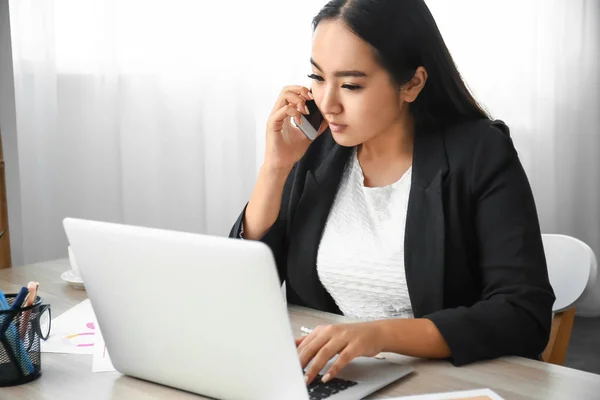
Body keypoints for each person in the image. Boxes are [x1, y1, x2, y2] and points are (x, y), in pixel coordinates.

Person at [229, 0, 555, 385]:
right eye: (317, 78)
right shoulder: (316, 148)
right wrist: (275, 168)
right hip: (341, 379)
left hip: (448, 382)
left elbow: (523, 313)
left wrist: (376, 334)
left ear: (412, 84)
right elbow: (243, 287)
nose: (327, 103)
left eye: (350, 85)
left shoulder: (480, 152)